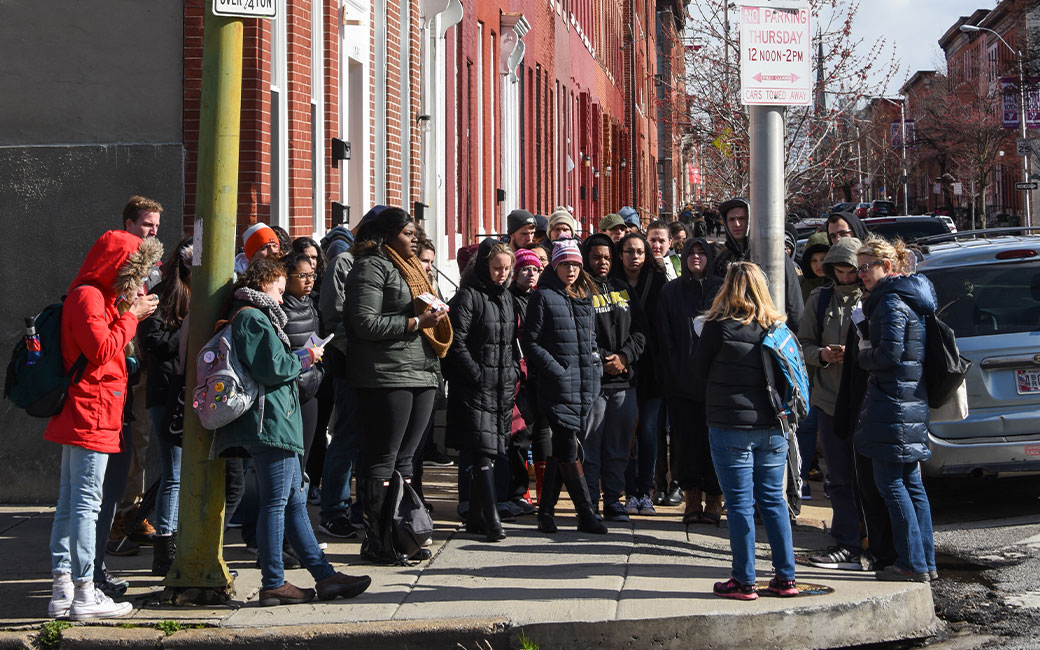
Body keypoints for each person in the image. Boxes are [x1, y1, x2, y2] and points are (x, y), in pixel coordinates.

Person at [211, 258, 371, 605]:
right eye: (279, 289)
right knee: (276, 503)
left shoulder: (253, 314)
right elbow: (274, 367)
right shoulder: (253, 317)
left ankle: (324, 575)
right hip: (270, 421)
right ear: (265, 282)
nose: (282, 298)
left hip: (276, 420)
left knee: (294, 502)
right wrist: (306, 356)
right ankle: (274, 581)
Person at [45, 230, 162, 620]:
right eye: (133, 268)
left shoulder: (92, 295)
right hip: (90, 411)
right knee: (85, 505)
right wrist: (132, 316)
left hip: (89, 410)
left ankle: (65, 590)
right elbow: (101, 350)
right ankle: (83, 592)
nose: (137, 277)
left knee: (71, 503)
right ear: (117, 264)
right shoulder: (89, 297)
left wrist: (126, 310)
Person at [345, 207, 452, 564]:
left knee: (406, 460)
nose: (414, 239)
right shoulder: (371, 265)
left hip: (422, 371)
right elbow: (364, 322)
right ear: (387, 235)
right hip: (385, 375)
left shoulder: (412, 268)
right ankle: (377, 540)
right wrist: (416, 322)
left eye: (415, 233)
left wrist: (431, 318)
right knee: (382, 457)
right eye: (407, 233)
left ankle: (401, 534)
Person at [695, 262, 799, 600]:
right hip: (773, 425)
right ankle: (786, 578)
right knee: (773, 501)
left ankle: (744, 579)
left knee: (739, 503)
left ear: (728, 287)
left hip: (729, 424)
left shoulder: (717, 326)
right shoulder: (777, 327)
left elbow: (700, 369)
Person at [854, 238, 937, 583]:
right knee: (910, 484)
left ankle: (911, 563)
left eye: (866, 267)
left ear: (887, 267)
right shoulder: (908, 297)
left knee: (892, 484)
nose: (861, 275)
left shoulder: (890, 301)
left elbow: (889, 354)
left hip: (893, 403)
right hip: (908, 401)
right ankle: (924, 562)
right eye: (858, 268)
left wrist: (862, 353)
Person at [521, 238, 607, 535]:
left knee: (561, 450)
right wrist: (557, 370)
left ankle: (545, 512)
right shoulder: (543, 296)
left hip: (583, 384)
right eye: (565, 264)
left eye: (575, 264)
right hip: (557, 386)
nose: (571, 270)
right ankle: (586, 512)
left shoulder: (583, 296)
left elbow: (591, 341)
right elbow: (529, 341)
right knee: (569, 447)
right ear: (555, 265)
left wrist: (595, 368)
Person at [798, 237, 866, 570]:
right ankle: (845, 540)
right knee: (838, 476)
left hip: (866, 401)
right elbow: (803, 344)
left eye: (851, 271)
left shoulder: (873, 298)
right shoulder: (819, 299)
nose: (845, 277)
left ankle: (873, 539)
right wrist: (823, 355)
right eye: (839, 271)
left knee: (869, 475)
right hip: (828, 400)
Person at [444, 239, 518, 542]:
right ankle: (491, 518)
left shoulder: (506, 298)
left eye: (506, 268)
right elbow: (455, 341)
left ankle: (476, 515)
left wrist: (511, 373)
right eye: (496, 268)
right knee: (483, 452)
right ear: (484, 266)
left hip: (500, 387)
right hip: (475, 388)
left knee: (488, 449)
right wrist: (476, 374)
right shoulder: (467, 297)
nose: (501, 274)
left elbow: (511, 343)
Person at [106, 196, 165, 554]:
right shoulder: (115, 263)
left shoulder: (154, 268)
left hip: (143, 365)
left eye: (156, 226)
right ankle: (112, 520)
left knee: (139, 444)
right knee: (120, 448)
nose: (153, 231)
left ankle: (131, 514)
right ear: (128, 224)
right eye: (146, 224)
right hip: (117, 364)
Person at [657, 238, 724, 526]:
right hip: (682, 384)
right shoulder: (671, 291)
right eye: (691, 253)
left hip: (716, 385)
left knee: (715, 446)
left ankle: (714, 498)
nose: (696, 257)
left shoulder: (721, 289)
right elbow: (664, 336)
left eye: (701, 253)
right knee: (685, 445)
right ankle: (692, 498)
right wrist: (674, 373)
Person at [137, 236, 192, 576]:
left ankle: (166, 536)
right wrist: (185, 334)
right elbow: (152, 340)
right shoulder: (166, 294)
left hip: (184, 391)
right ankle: (165, 546)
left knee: (179, 472)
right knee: (174, 473)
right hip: (167, 391)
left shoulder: (190, 293)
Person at [581, 233, 646, 522]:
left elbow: (641, 331)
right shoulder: (579, 290)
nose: (602, 262)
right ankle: (590, 502)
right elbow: (579, 336)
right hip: (594, 383)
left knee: (619, 448)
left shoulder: (622, 288)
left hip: (624, 382)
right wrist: (605, 358)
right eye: (596, 257)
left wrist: (624, 357)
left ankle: (614, 500)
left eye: (607, 257)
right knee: (591, 446)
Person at [615, 232, 670, 514]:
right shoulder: (612, 284)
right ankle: (627, 490)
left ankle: (645, 491)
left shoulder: (659, 282)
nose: (634, 257)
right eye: (628, 251)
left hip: (652, 369)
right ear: (620, 253)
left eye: (639, 251)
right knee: (626, 433)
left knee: (648, 431)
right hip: (622, 368)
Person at [713, 198, 804, 331]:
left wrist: (795, 336)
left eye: (742, 218)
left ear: (750, 220)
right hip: (733, 334)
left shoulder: (772, 254)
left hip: (769, 331)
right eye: (731, 219)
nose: (736, 224)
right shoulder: (722, 258)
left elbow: (793, 299)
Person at [508, 248, 549, 506]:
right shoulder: (508, 299)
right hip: (518, 377)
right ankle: (520, 491)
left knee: (542, 434)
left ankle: (544, 491)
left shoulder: (542, 297)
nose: (530, 273)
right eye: (524, 269)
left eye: (535, 269)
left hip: (541, 374)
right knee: (520, 435)